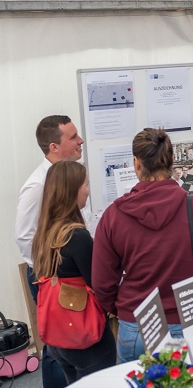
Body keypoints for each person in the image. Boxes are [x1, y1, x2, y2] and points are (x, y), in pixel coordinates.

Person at [92, 128, 193, 363]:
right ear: (171, 161)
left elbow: (102, 285)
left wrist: (126, 312)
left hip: (138, 326)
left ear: (136, 164)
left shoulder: (113, 216)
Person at [15, 115, 85, 388]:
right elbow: (24, 237)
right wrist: (50, 270)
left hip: (72, 273)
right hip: (51, 276)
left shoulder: (72, 174)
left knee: (76, 342)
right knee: (57, 348)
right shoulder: (37, 186)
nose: (80, 141)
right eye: (73, 137)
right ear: (53, 147)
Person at [31, 161, 116, 384]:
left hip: (59, 339)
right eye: (85, 185)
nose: (88, 190)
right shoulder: (77, 236)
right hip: (85, 338)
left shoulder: (45, 234)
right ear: (72, 190)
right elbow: (98, 283)